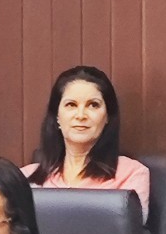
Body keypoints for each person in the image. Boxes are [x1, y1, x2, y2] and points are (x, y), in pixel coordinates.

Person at [23, 66, 150, 220]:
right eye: (71, 105)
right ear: (57, 116)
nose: (81, 115)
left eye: (93, 105)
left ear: (107, 117)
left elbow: (128, 231)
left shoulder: (131, 174)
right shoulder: (24, 178)